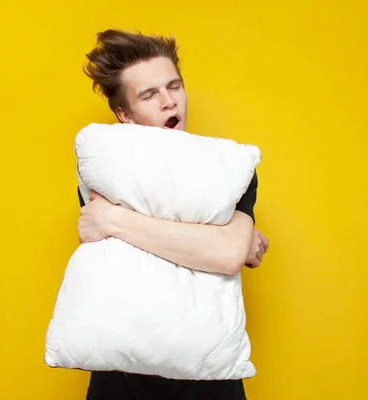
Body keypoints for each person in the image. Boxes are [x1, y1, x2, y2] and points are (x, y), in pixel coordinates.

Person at [76, 29, 270, 400]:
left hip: (211, 383)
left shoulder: (229, 171)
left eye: (174, 87)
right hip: (123, 382)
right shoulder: (102, 168)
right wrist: (222, 236)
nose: (169, 102)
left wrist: (115, 221)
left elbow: (226, 256)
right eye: (149, 95)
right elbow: (222, 249)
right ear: (124, 115)